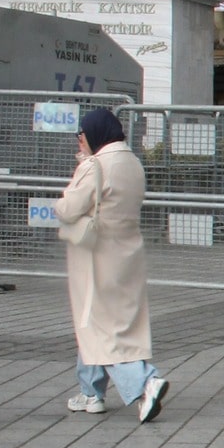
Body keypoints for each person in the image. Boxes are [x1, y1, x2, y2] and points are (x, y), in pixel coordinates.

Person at [55, 108, 168, 422]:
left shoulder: (96, 165)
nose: (79, 140)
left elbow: (70, 208)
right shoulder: (131, 162)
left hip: (97, 256)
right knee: (104, 322)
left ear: (94, 133)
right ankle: (91, 390)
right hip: (127, 253)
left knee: (101, 328)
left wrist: (61, 199)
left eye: (81, 134)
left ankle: (145, 381)